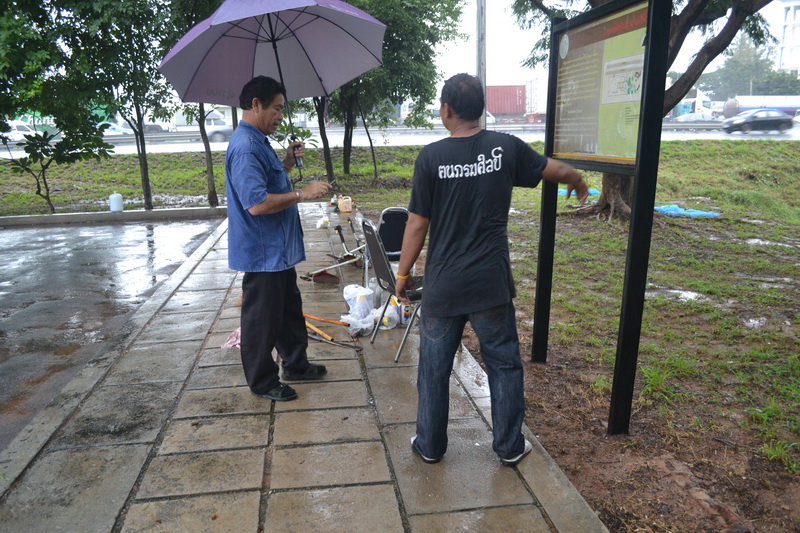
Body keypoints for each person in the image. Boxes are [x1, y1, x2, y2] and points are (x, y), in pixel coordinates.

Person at [394, 73, 589, 465]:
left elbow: (416, 224)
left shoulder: (431, 158)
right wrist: (577, 179)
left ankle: (429, 445)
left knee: (433, 369)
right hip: (490, 284)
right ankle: (510, 446)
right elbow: (553, 169)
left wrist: (402, 275)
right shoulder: (505, 148)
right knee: (503, 365)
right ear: (481, 108)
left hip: (444, 286)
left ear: (447, 110)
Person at [226, 76, 333, 401]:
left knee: (288, 310)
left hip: (278, 250)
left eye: (282, 110)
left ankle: (295, 364)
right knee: (262, 319)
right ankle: (262, 381)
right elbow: (257, 203)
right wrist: (303, 193)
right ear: (256, 104)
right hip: (263, 252)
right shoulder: (246, 147)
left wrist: (285, 162)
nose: (280, 116)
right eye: (276, 108)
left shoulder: (258, 141)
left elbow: (267, 182)